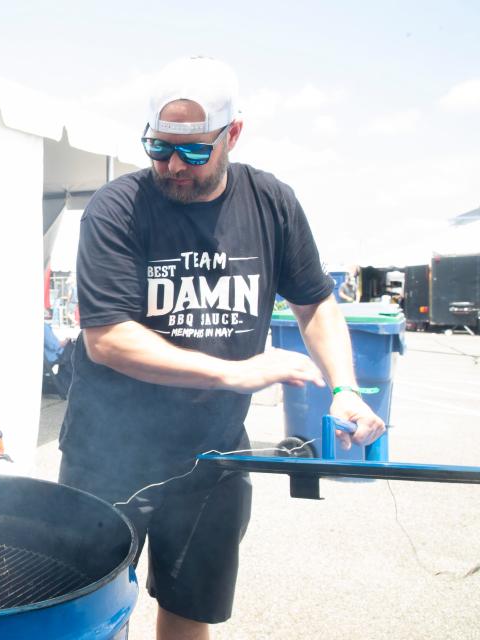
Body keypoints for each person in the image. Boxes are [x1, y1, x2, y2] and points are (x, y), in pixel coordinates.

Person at [57, 56, 385, 640]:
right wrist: (233, 374)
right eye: (160, 149)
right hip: (106, 457)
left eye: (193, 151)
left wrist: (345, 387)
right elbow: (108, 339)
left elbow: (314, 303)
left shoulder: (270, 202)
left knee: (191, 612)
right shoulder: (117, 208)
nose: (173, 167)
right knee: (90, 614)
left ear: (232, 135)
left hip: (213, 459)